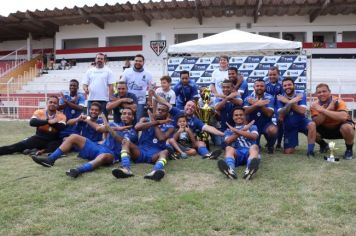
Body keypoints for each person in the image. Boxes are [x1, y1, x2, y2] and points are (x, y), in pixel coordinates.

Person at [31, 108, 138, 178]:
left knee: (104, 156)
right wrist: (110, 127)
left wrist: (110, 129)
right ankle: (51, 159)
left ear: (133, 117)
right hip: (99, 147)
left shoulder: (132, 132)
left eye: (129, 114)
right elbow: (100, 129)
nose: (126, 115)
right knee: (74, 137)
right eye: (124, 113)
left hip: (112, 155)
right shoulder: (114, 123)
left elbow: (121, 141)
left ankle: (79, 170)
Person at [152, 90, 224, 159]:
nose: (190, 108)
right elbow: (164, 102)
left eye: (193, 107)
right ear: (184, 106)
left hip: (187, 143)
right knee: (169, 141)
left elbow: (208, 127)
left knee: (201, 143)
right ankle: (172, 152)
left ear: (195, 110)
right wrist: (155, 94)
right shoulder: (177, 112)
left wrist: (222, 134)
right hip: (175, 141)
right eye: (188, 105)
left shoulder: (195, 120)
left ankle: (208, 155)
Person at [111, 104, 174, 181]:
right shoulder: (144, 119)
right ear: (155, 110)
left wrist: (154, 122)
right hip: (140, 152)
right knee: (126, 142)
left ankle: (156, 170)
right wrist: (155, 122)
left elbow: (161, 138)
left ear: (167, 114)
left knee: (165, 152)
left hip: (154, 155)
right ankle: (125, 168)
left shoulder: (170, 127)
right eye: (158, 109)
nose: (160, 112)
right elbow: (137, 127)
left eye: (163, 110)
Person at [0, 96, 66, 156]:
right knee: (15, 147)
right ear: (47, 103)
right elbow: (32, 122)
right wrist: (48, 121)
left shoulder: (61, 115)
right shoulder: (39, 112)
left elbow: (62, 127)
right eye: (50, 102)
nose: (52, 104)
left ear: (57, 105)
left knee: (59, 146)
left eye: (55, 103)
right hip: (39, 137)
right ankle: (34, 150)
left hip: (52, 139)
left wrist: (52, 123)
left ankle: (38, 151)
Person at [310, 83, 355, 160]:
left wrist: (323, 110)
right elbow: (316, 122)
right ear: (316, 94)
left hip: (339, 128)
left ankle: (349, 150)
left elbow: (343, 117)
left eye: (324, 91)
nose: (322, 94)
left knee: (347, 127)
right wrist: (328, 109)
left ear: (329, 92)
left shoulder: (338, 101)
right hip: (324, 128)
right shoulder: (315, 105)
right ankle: (324, 145)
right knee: (309, 127)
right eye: (319, 92)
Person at [217, 107, 261, 180]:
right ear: (233, 117)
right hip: (238, 153)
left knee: (255, 146)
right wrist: (243, 130)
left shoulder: (252, 127)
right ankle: (230, 170)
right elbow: (228, 141)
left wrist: (236, 131)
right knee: (228, 148)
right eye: (236, 115)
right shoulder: (228, 130)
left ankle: (249, 170)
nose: (239, 116)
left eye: (241, 114)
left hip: (250, 152)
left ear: (245, 116)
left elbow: (254, 137)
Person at [277, 78, 316, 156]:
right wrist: (292, 101)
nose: (287, 87)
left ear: (294, 85)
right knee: (288, 152)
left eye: (289, 85)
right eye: (285, 85)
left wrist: (287, 102)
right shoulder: (280, 97)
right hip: (289, 125)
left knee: (312, 125)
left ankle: (310, 151)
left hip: (301, 122)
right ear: (282, 87)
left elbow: (302, 111)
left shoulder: (300, 94)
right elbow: (281, 114)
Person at [243, 79, 278, 153]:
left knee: (273, 130)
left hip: (266, 124)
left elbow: (269, 114)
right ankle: (256, 144)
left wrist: (256, 103)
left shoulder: (270, 97)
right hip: (253, 125)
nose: (259, 88)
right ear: (254, 87)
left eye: (262, 86)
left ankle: (270, 145)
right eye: (257, 86)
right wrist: (258, 104)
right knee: (255, 148)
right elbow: (245, 112)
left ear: (265, 87)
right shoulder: (248, 98)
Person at [82, 53, 116, 118]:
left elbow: (111, 87)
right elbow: (84, 84)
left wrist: (110, 100)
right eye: (98, 58)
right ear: (95, 59)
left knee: (103, 120)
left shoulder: (109, 71)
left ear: (104, 60)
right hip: (91, 99)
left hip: (104, 100)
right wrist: (85, 89)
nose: (99, 60)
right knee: (90, 119)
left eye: (101, 59)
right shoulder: (89, 71)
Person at [120, 54, 153, 121]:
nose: (138, 62)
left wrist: (149, 100)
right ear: (133, 61)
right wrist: (121, 99)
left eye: (140, 61)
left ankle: (135, 132)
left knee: (137, 120)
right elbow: (121, 85)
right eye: (136, 60)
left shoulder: (148, 74)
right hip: (128, 101)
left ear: (143, 62)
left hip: (140, 102)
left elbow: (151, 89)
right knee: (126, 120)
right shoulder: (126, 71)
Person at [214, 79, 243, 146]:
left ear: (232, 88)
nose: (225, 89)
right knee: (223, 144)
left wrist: (226, 97)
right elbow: (217, 107)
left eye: (228, 87)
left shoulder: (236, 95)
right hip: (224, 127)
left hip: (237, 127)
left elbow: (240, 102)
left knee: (235, 145)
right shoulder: (219, 98)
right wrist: (227, 98)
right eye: (224, 87)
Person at [265, 66, 284, 149]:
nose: (272, 76)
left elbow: (284, 97)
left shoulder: (283, 83)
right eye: (270, 74)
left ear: (278, 74)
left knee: (280, 121)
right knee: (266, 122)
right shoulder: (265, 83)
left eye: (274, 74)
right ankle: (269, 141)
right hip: (268, 105)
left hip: (278, 105)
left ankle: (279, 143)